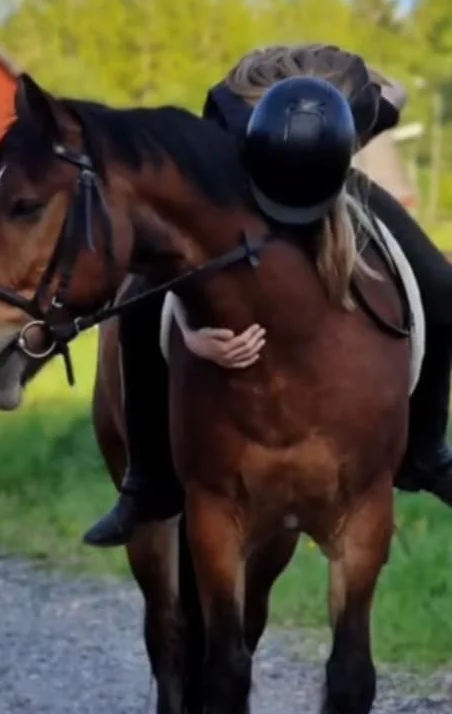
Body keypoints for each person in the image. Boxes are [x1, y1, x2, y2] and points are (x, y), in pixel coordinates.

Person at [84, 43, 452, 547]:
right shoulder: (222, 129)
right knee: (142, 297)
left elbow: (397, 94)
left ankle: (428, 450)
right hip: (243, 182)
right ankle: (145, 483)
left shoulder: (357, 106)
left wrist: (367, 105)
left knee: (440, 282)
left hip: (330, 178)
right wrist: (190, 329)